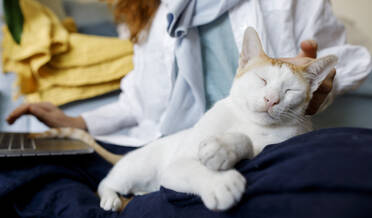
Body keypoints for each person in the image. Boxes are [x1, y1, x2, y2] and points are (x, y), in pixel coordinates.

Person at [6, 0, 371, 147]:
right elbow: (138, 103)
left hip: (259, 149)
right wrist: (75, 121)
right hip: (169, 148)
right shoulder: (146, 15)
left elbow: (349, 61)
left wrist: (319, 85)